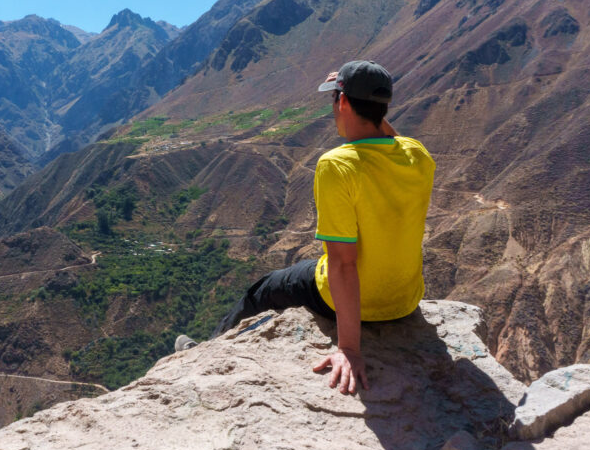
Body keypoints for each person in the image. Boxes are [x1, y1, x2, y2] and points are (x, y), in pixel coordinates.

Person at [175, 60, 435, 396]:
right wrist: (364, 101)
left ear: (342, 103)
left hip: (358, 303)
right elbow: (391, 138)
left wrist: (350, 350)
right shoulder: (419, 155)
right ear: (382, 107)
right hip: (405, 301)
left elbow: (343, 263)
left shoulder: (338, 165)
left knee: (265, 289)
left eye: (335, 100)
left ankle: (202, 355)